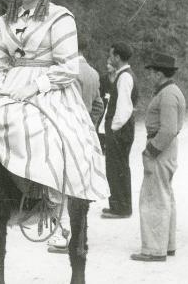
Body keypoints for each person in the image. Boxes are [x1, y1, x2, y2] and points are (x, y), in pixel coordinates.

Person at [0, 0, 109, 212]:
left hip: (49, 87)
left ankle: (46, 193)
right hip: (10, 84)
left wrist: (34, 87)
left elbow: (67, 67)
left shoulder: (59, 17)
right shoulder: (6, 20)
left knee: (41, 129)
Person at [47, 39, 104, 252]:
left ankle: (64, 235)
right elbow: (98, 104)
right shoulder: (93, 73)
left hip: (64, 133)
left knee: (59, 185)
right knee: (78, 186)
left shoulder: (67, 73)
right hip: (83, 135)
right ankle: (79, 236)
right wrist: (90, 124)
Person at [131, 52, 185, 262]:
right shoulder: (170, 91)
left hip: (161, 148)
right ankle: (166, 245)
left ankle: (154, 249)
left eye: (152, 71)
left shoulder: (169, 94)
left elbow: (169, 129)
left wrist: (150, 150)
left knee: (154, 198)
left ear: (160, 72)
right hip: (165, 147)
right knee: (164, 195)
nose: (150, 75)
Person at [101, 42, 138, 219]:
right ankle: (117, 204)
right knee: (116, 167)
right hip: (121, 128)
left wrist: (113, 129)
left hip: (120, 129)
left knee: (118, 167)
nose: (110, 58)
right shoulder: (124, 75)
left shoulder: (124, 77)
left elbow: (124, 108)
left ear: (117, 57)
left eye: (111, 55)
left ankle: (121, 208)